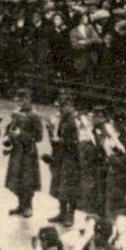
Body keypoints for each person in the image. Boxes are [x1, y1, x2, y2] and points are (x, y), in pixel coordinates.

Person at [2, 96, 43, 218]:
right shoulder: (17, 113)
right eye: (19, 100)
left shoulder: (35, 116)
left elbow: (39, 137)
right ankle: (20, 205)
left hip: (28, 152)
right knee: (17, 178)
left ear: (29, 100)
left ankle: (28, 206)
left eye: (23, 100)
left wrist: (22, 134)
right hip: (17, 150)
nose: (20, 103)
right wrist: (7, 136)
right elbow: (10, 127)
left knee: (27, 180)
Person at [48, 94, 82, 227]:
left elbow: (74, 142)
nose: (61, 109)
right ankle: (62, 213)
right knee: (61, 186)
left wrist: (60, 141)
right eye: (60, 106)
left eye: (63, 106)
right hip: (63, 156)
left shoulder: (73, 121)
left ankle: (70, 215)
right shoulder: (64, 119)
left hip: (72, 158)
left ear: (70, 106)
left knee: (70, 188)